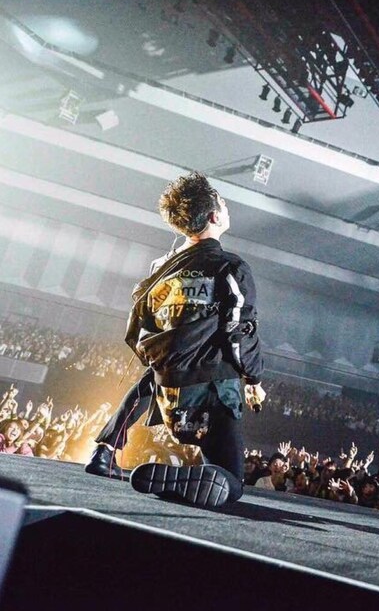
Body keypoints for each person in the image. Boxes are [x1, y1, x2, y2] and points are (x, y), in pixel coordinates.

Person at [86, 172, 265, 509]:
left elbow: (138, 326)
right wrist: (254, 378)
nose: (227, 208)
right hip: (212, 392)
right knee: (230, 484)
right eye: (223, 204)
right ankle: (192, 474)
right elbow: (239, 332)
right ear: (214, 216)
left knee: (152, 373)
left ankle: (104, 451)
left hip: (167, 392)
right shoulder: (229, 267)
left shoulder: (160, 267)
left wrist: (164, 362)